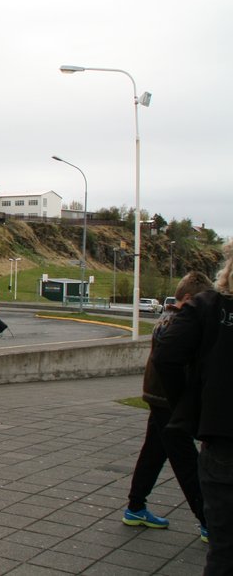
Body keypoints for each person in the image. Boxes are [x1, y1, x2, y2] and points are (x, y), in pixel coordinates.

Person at [155, 245, 233, 573]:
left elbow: (166, 354)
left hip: (222, 440)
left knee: (224, 551)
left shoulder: (208, 307)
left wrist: (189, 407)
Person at [122, 271, 213, 537]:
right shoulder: (180, 323)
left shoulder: (167, 317)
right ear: (189, 298)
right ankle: (208, 521)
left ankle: (135, 507)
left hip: (158, 397)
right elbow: (171, 362)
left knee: (153, 453)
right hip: (168, 401)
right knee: (186, 461)